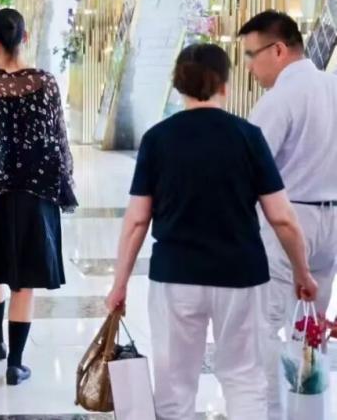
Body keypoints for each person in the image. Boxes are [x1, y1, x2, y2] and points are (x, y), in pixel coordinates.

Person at [104, 44, 318, 420]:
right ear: (224, 84)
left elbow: (137, 220)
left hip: (176, 276)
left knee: (174, 385)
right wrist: (303, 272)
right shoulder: (248, 136)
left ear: (178, 85)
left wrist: (119, 284)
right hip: (241, 276)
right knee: (244, 379)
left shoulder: (158, 139)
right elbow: (282, 218)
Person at [238, 10, 337, 420]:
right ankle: (308, 410)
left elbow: (248, 168)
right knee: (311, 324)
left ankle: (270, 412)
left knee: (266, 322)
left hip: (286, 219)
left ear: (278, 50)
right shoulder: (333, 87)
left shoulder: (279, 99)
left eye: (251, 55)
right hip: (332, 221)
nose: (249, 66)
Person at [0, 9, 75, 385]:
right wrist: (66, 183)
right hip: (36, 189)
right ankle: (16, 363)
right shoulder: (45, 82)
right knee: (24, 278)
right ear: (25, 38)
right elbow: (59, 137)